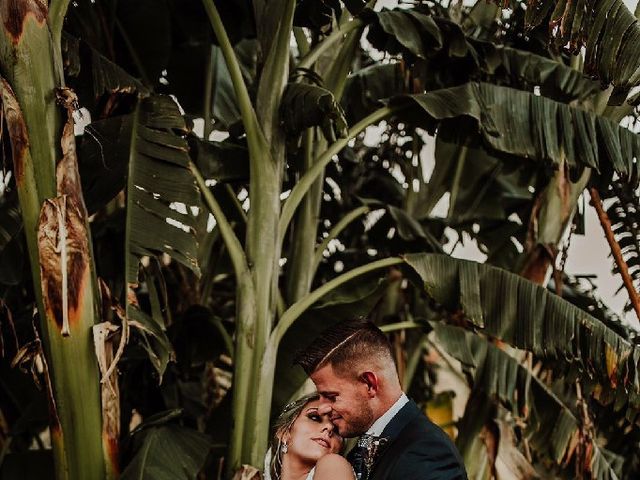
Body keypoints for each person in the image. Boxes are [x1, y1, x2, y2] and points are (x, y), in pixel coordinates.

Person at [295, 319, 467, 480]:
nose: (322, 408)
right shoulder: (356, 453)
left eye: (331, 396)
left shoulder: (428, 452)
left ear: (370, 384)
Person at [264, 392, 356, 480]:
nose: (329, 427)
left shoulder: (333, 464)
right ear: (284, 432)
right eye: (315, 418)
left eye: (336, 428)